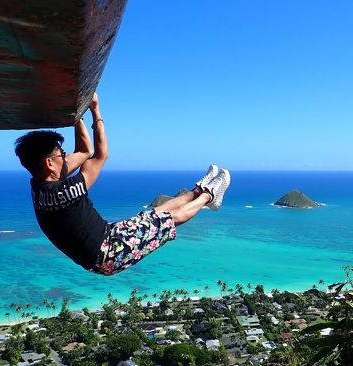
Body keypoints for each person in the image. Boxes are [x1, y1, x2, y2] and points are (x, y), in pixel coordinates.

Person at [14, 93, 230, 275]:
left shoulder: (38, 186)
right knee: (167, 220)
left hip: (107, 238)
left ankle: (197, 190)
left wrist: (76, 116)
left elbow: (82, 153)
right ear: (50, 163)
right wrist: (95, 110)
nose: (67, 155)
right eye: (62, 153)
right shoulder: (65, 191)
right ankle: (209, 196)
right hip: (108, 254)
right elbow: (98, 155)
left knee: (157, 212)